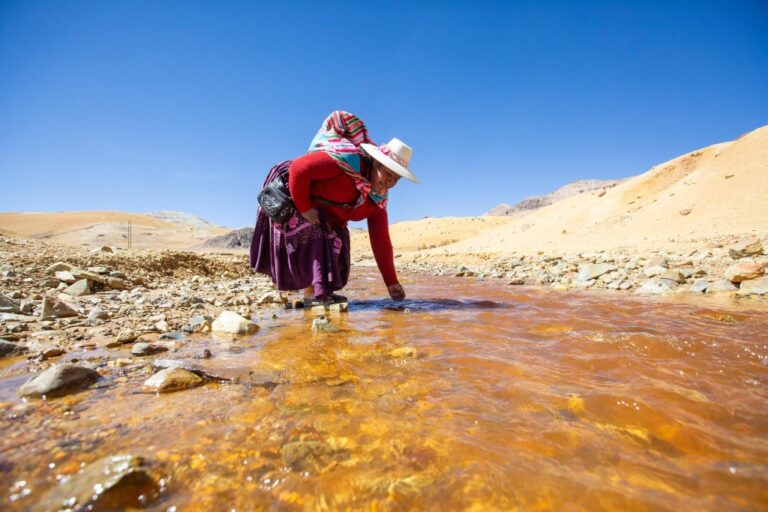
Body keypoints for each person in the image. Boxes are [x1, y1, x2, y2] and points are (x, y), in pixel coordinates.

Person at [249, 111, 419, 303]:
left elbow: (380, 241)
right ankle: (313, 296)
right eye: (388, 173)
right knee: (315, 229)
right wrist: (304, 208)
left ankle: (323, 292)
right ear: (376, 164)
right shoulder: (347, 161)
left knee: (340, 237)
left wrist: (391, 282)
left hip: (324, 213)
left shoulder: (377, 199)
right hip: (292, 197)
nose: (389, 182)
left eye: (396, 179)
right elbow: (299, 169)